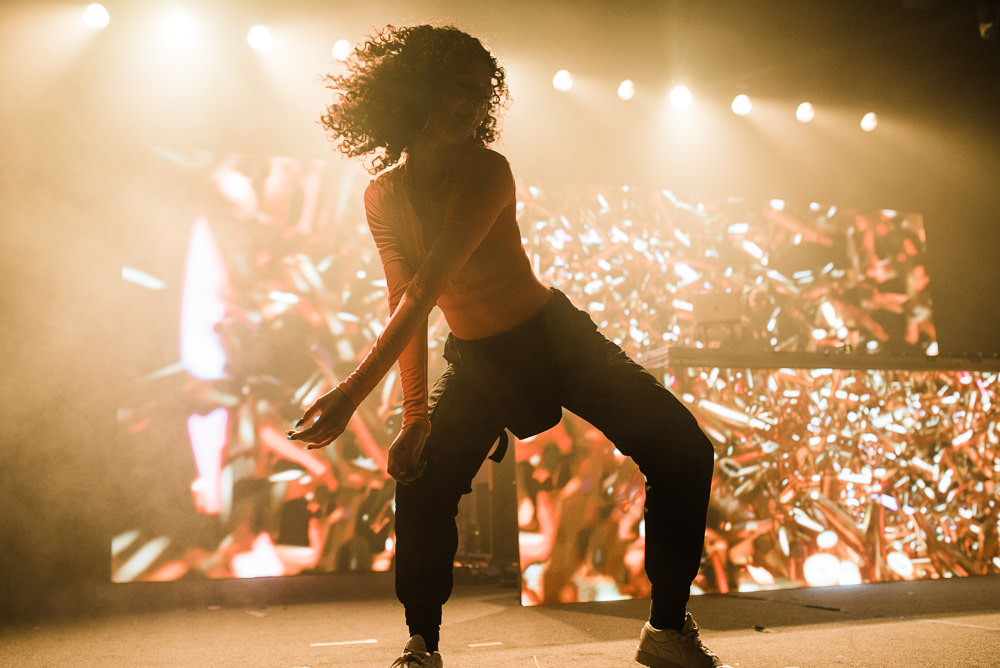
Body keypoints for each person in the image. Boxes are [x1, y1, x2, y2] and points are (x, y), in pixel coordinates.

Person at [288, 24, 727, 668]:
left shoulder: (487, 170)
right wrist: (414, 417)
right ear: (413, 94)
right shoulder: (382, 194)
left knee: (684, 451)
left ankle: (666, 631)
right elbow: (404, 299)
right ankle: (421, 645)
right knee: (421, 480)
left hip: (554, 340)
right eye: (454, 88)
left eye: (478, 91)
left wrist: (353, 393)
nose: (469, 104)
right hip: (479, 361)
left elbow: (426, 288)